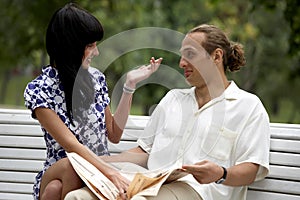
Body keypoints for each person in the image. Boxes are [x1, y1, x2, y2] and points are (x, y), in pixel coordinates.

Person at [65, 24, 270, 200]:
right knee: (77, 197)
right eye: (181, 55)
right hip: (148, 182)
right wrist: (95, 162)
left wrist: (220, 173)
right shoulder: (173, 99)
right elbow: (144, 152)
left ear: (216, 56)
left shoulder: (248, 107)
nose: (181, 63)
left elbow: (251, 168)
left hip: (198, 191)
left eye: (190, 54)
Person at [23, 3, 162, 200]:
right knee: (73, 165)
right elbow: (72, 146)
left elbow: (114, 134)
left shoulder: (96, 80)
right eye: (90, 45)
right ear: (70, 46)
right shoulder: (39, 90)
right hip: (66, 168)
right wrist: (111, 172)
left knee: (54, 190)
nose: (96, 52)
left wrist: (129, 85)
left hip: (94, 173)